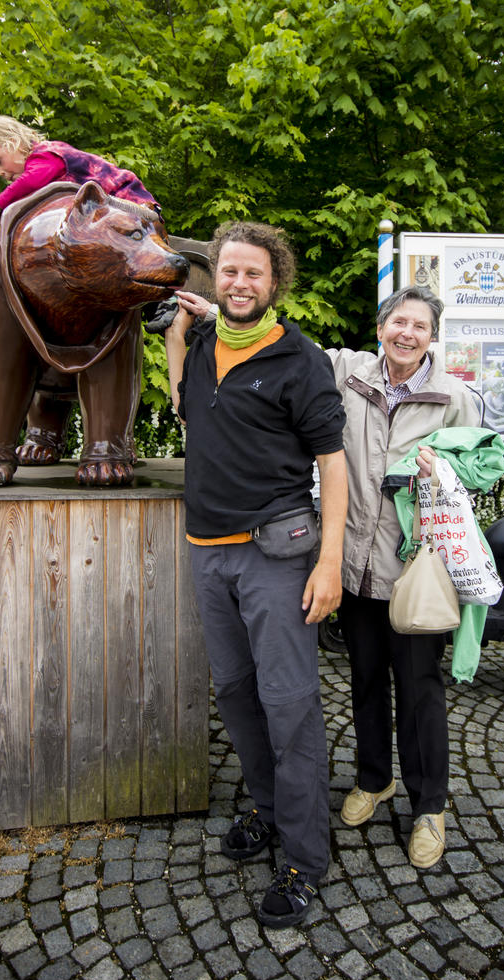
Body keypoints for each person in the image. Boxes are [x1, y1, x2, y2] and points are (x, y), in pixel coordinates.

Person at [163, 221, 348, 928]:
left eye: (253, 273)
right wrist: (177, 336)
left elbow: (332, 462)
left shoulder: (299, 359)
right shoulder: (209, 343)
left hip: (275, 554)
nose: (239, 283)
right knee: (237, 697)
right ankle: (268, 814)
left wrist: (327, 561)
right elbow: (185, 405)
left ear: (275, 282)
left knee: (289, 703)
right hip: (206, 550)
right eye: (228, 272)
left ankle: (303, 857)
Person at [326, 285, 481, 869]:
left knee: (419, 693)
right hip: (356, 567)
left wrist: (446, 469)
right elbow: (290, 345)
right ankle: (374, 779)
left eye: (419, 326)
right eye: (397, 322)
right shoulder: (350, 372)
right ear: (381, 326)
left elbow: (486, 465)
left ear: (432, 337)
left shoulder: (454, 398)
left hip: (415, 572)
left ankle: (429, 806)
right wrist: (219, 310)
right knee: (364, 680)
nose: (406, 333)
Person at [0, 115, 161, 225]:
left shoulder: (45, 156)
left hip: (131, 202)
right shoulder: (42, 165)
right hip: (105, 211)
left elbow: (29, 181)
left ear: (13, 143)